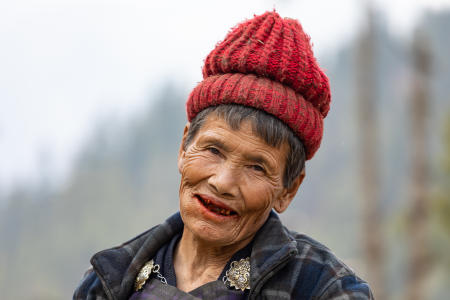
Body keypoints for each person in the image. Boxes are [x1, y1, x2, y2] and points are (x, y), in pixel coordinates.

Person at [73, 11, 373, 299]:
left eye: (257, 167)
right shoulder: (108, 280)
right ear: (184, 147)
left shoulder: (324, 289)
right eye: (213, 150)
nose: (223, 182)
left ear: (288, 189)